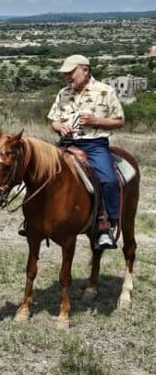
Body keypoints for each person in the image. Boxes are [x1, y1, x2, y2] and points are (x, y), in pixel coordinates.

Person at [46, 54, 125, 249]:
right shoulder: (63, 93)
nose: (68, 77)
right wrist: (59, 127)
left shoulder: (105, 91)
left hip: (94, 144)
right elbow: (53, 120)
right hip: (66, 143)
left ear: (85, 70)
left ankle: (106, 225)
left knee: (108, 179)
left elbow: (119, 120)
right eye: (65, 74)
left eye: (71, 72)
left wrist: (95, 121)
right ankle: (36, 218)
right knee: (40, 172)